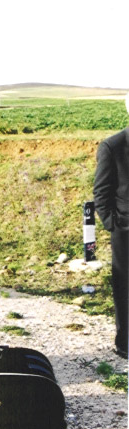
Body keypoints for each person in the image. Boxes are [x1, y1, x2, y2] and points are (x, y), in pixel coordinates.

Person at [93, 93, 129, 360]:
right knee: (125, 287)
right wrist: (114, 225)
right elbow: (101, 192)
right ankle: (125, 342)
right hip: (125, 231)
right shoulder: (113, 146)